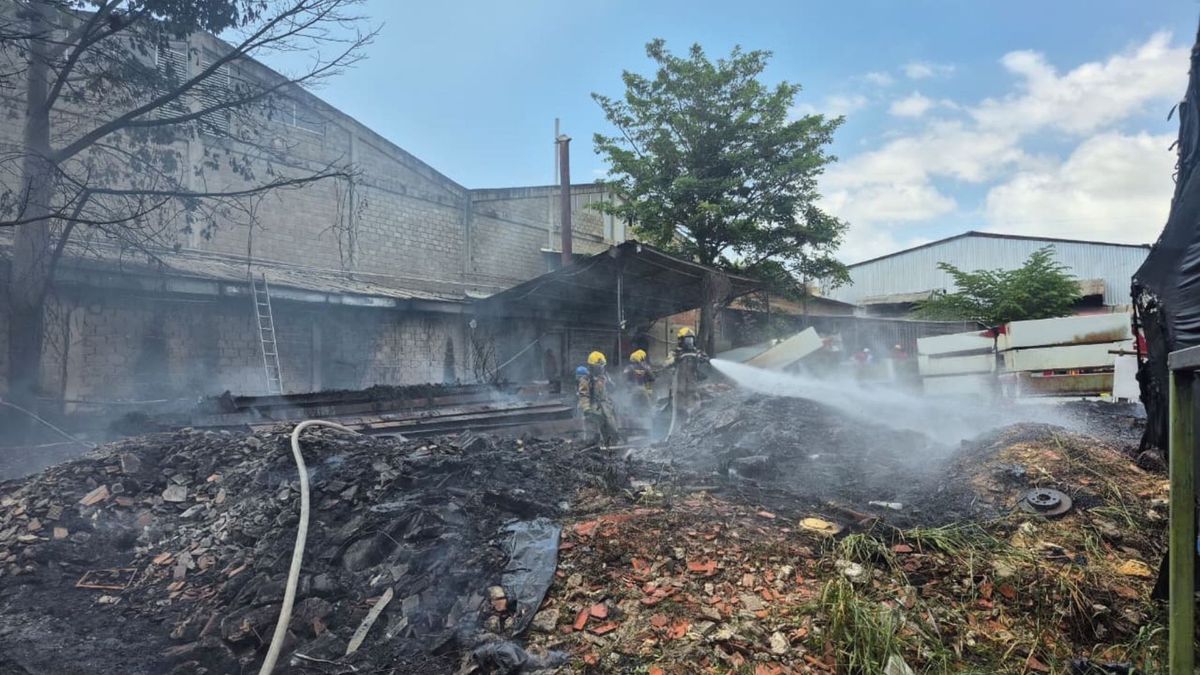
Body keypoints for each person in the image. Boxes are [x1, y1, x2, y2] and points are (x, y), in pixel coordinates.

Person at [577, 351, 619, 447]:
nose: (602, 368)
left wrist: (609, 381)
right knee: (595, 433)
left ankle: (612, 450)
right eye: (600, 366)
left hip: (606, 408)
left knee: (613, 430)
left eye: (603, 366)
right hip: (594, 409)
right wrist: (586, 408)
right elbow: (584, 395)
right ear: (593, 366)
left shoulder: (604, 377)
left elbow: (612, 389)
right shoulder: (586, 379)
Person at [665, 327, 708, 420]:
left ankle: (693, 423)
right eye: (687, 340)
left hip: (692, 387)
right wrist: (676, 359)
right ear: (681, 341)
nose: (689, 342)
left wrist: (704, 359)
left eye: (691, 340)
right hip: (678, 388)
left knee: (695, 407)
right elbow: (666, 363)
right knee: (679, 409)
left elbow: (706, 359)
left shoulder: (697, 352)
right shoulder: (675, 353)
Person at [623, 349, 656, 429]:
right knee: (649, 407)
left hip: (632, 391)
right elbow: (652, 378)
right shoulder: (646, 367)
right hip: (643, 390)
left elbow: (624, 378)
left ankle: (630, 425)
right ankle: (652, 424)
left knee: (630, 407)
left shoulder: (629, 367)